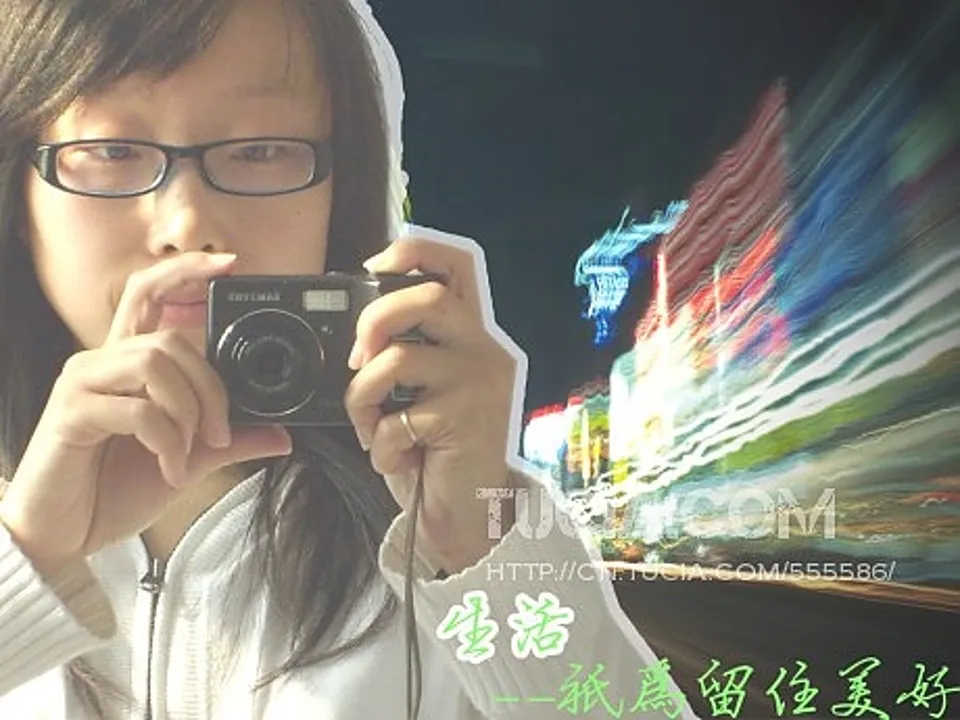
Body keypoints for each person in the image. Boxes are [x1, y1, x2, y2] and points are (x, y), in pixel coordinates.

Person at [0, 0, 696, 718]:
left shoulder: (438, 521)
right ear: (18, 191)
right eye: (113, 150)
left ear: (340, 184)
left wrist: (484, 550)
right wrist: (27, 557)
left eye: (259, 148)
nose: (186, 224)